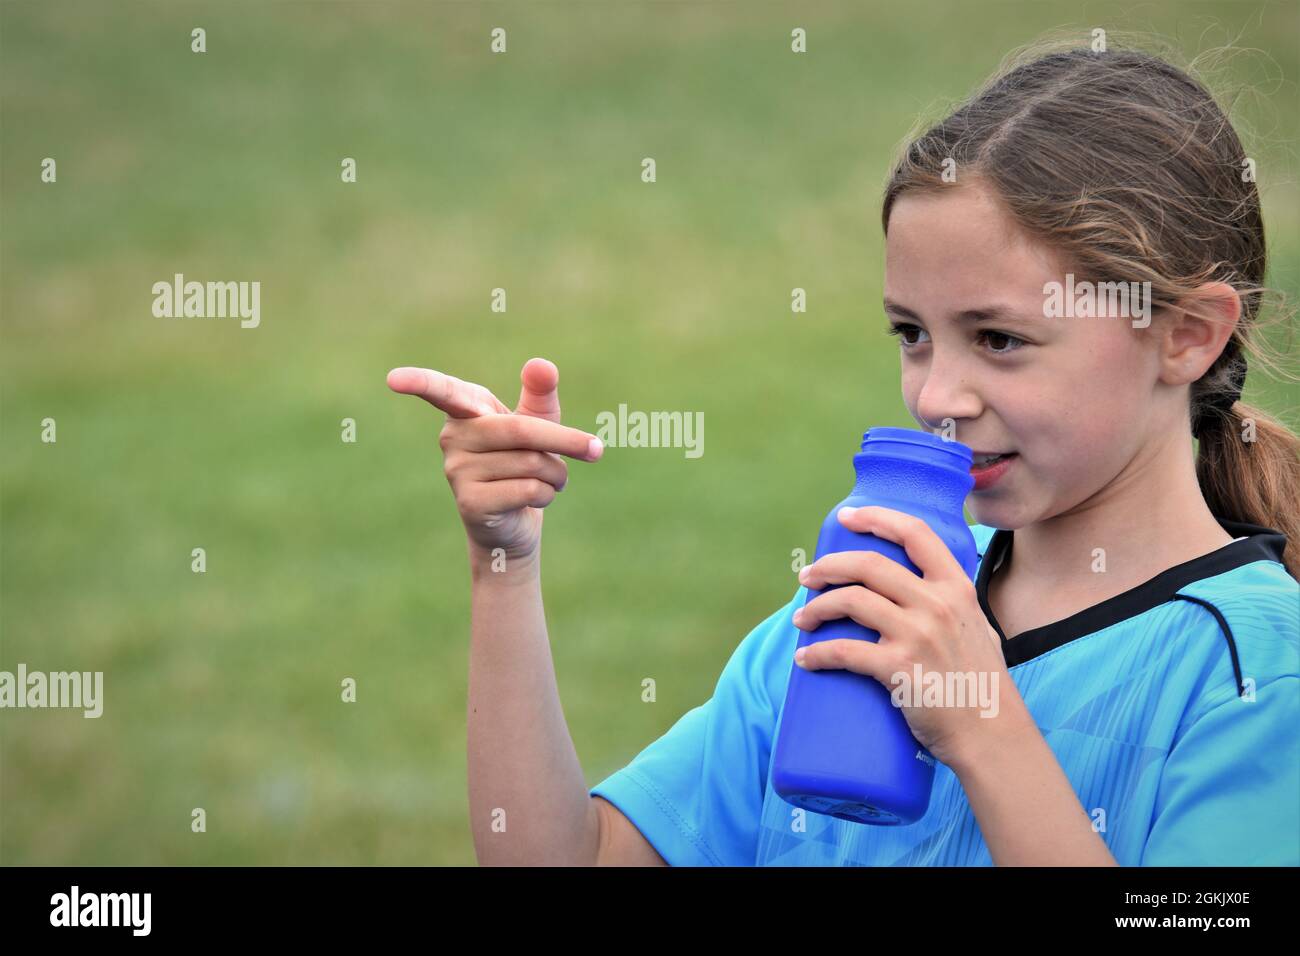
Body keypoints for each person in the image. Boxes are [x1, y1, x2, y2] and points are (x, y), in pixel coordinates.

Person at [387, 39, 1300, 866]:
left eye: (999, 339)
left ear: (1185, 335)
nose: (937, 397)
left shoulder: (1261, 670)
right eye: (912, 333)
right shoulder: (862, 603)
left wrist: (981, 726)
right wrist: (504, 564)